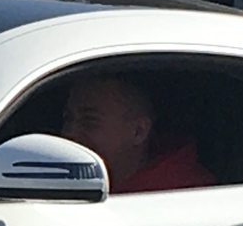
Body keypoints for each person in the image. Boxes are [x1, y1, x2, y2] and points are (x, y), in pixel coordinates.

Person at [58, 73, 213, 194]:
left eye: (89, 120)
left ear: (139, 131)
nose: (70, 133)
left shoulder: (182, 196)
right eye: (68, 119)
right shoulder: (68, 181)